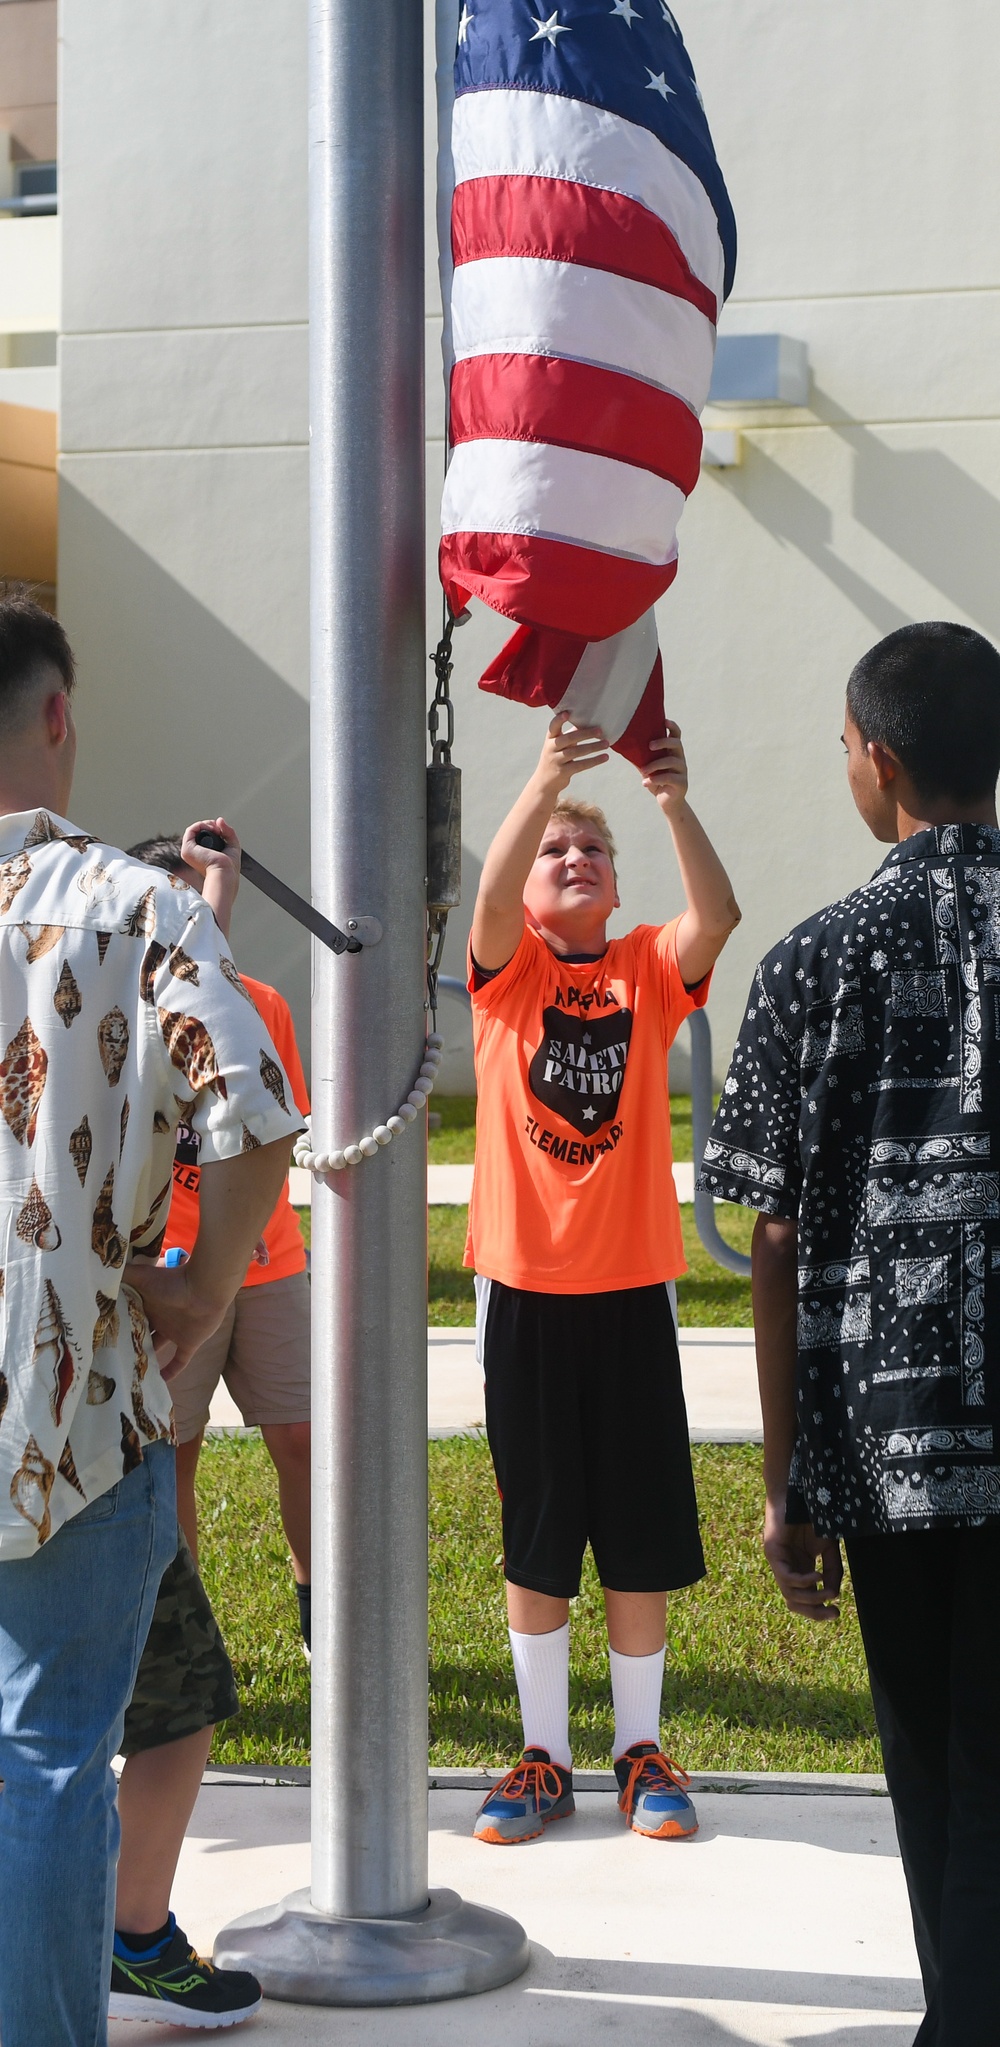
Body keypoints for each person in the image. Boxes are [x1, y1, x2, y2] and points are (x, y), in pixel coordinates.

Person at [0, 588, 301, 2047]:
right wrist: (207, 1282)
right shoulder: (137, 907)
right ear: (57, 715)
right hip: (76, 1407)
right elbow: (254, 1110)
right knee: (51, 1757)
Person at [701, 621, 1000, 2046]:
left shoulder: (816, 959)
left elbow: (770, 1231)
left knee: (934, 1763)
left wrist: (784, 1482)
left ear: (875, 762)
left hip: (893, 1454)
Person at [467, 712, 740, 1846]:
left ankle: (638, 1746)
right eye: (555, 855)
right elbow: (485, 899)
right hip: (524, 1289)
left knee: (636, 1523)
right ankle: (545, 1754)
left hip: (630, 1289)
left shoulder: (642, 970)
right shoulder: (508, 974)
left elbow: (716, 915)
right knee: (538, 1527)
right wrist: (544, 784)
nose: (574, 861)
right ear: (530, 892)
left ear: (617, 885)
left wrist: (670, 801)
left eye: (593, 852)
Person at [128, 827, 312, 1652]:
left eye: (193, 896)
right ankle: (185, 1646)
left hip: (268, 1263)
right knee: (174, 1458)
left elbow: (273, 1131)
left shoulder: (258, 1000)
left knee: (306, 1441)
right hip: (167, 1269)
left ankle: (326, 1626)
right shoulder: (119, 1008)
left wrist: (222, 890)